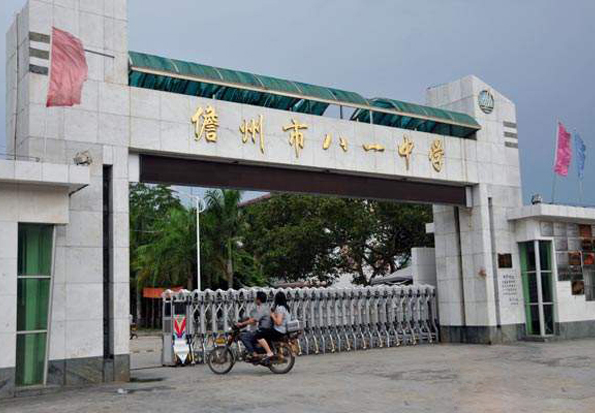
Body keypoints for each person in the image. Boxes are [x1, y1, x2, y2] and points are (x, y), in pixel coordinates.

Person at [255, 291, 290, 364]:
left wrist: (272, 315)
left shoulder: (280, 308)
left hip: (279, 331)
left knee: (258, 336)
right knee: (266, 334)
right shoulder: (286, 308)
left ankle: (269, 352)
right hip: (283, 330)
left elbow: (278, 322)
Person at [235, 291, 271, 359]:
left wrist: (242, 323)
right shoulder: (266, 307)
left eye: (256, 298)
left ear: (258, 299)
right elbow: (254, 319)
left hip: (263, 330)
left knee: (244, 337)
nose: (255, 299)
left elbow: (254, 320)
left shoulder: (261, 308)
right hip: (266, 329)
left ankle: (254, 353)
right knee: (249, 334)